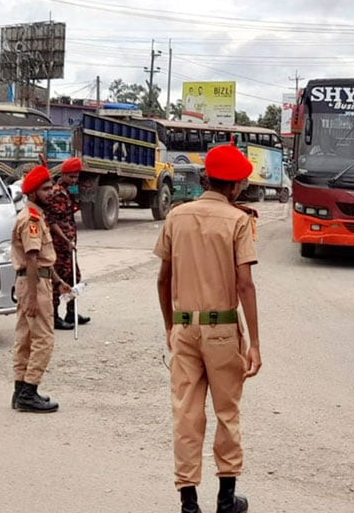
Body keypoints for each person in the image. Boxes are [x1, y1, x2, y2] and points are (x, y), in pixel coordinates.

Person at [154, 144, 262, 513]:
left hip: (184, 328)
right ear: (234, 186)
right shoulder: (237, 221)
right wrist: (255, 344)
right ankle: (226, 500)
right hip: (222, 331)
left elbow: (163, 279)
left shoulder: (176, 216)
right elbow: (245, 284)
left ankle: (188, 503)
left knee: (186, 415)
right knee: (226, 414)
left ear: (206, 179)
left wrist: (171, 325)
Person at [11, 165, 71, 413]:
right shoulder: (31, 220)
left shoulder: (34, 216)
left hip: (35, 281)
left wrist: (58, 281)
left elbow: (43, 260)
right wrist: (35, 298)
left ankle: (20, 391)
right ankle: (29, 392)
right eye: (45, 189)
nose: (51, 192)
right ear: (33, 192)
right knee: (43, 339)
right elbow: (33, 258)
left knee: (25, 338)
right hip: (34, 284)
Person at [43, 156, 90, 330]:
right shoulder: (56, 193)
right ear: (63, 175)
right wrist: (65, 240)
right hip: (60, 245)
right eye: (71, 177)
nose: (74, 180)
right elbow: (52, 220)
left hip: (69, 243)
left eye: (76, 177)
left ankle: (71, 311)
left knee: (74, 277)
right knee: (58, 280)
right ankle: (54, 316)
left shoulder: (68, 191)